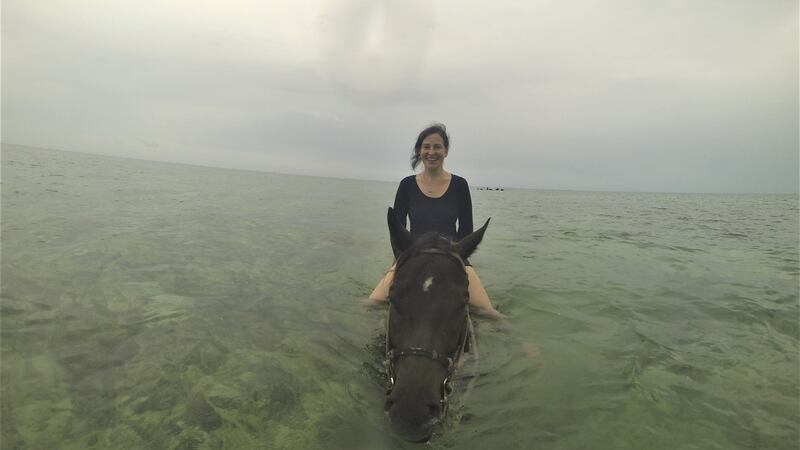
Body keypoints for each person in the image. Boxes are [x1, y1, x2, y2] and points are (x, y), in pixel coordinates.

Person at [369, 123, 503, 318]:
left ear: (446, 151)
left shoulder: (460, 185)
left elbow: (466, 231)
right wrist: (401, 263)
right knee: (371, 304)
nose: (432, 152)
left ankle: (525, 347)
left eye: (437, 147)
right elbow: (397, 232)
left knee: (491, 315)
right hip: (413, 257)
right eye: (426, 146)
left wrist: (455, 262)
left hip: (452, 258)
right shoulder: (407, 185)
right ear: (419, 150)